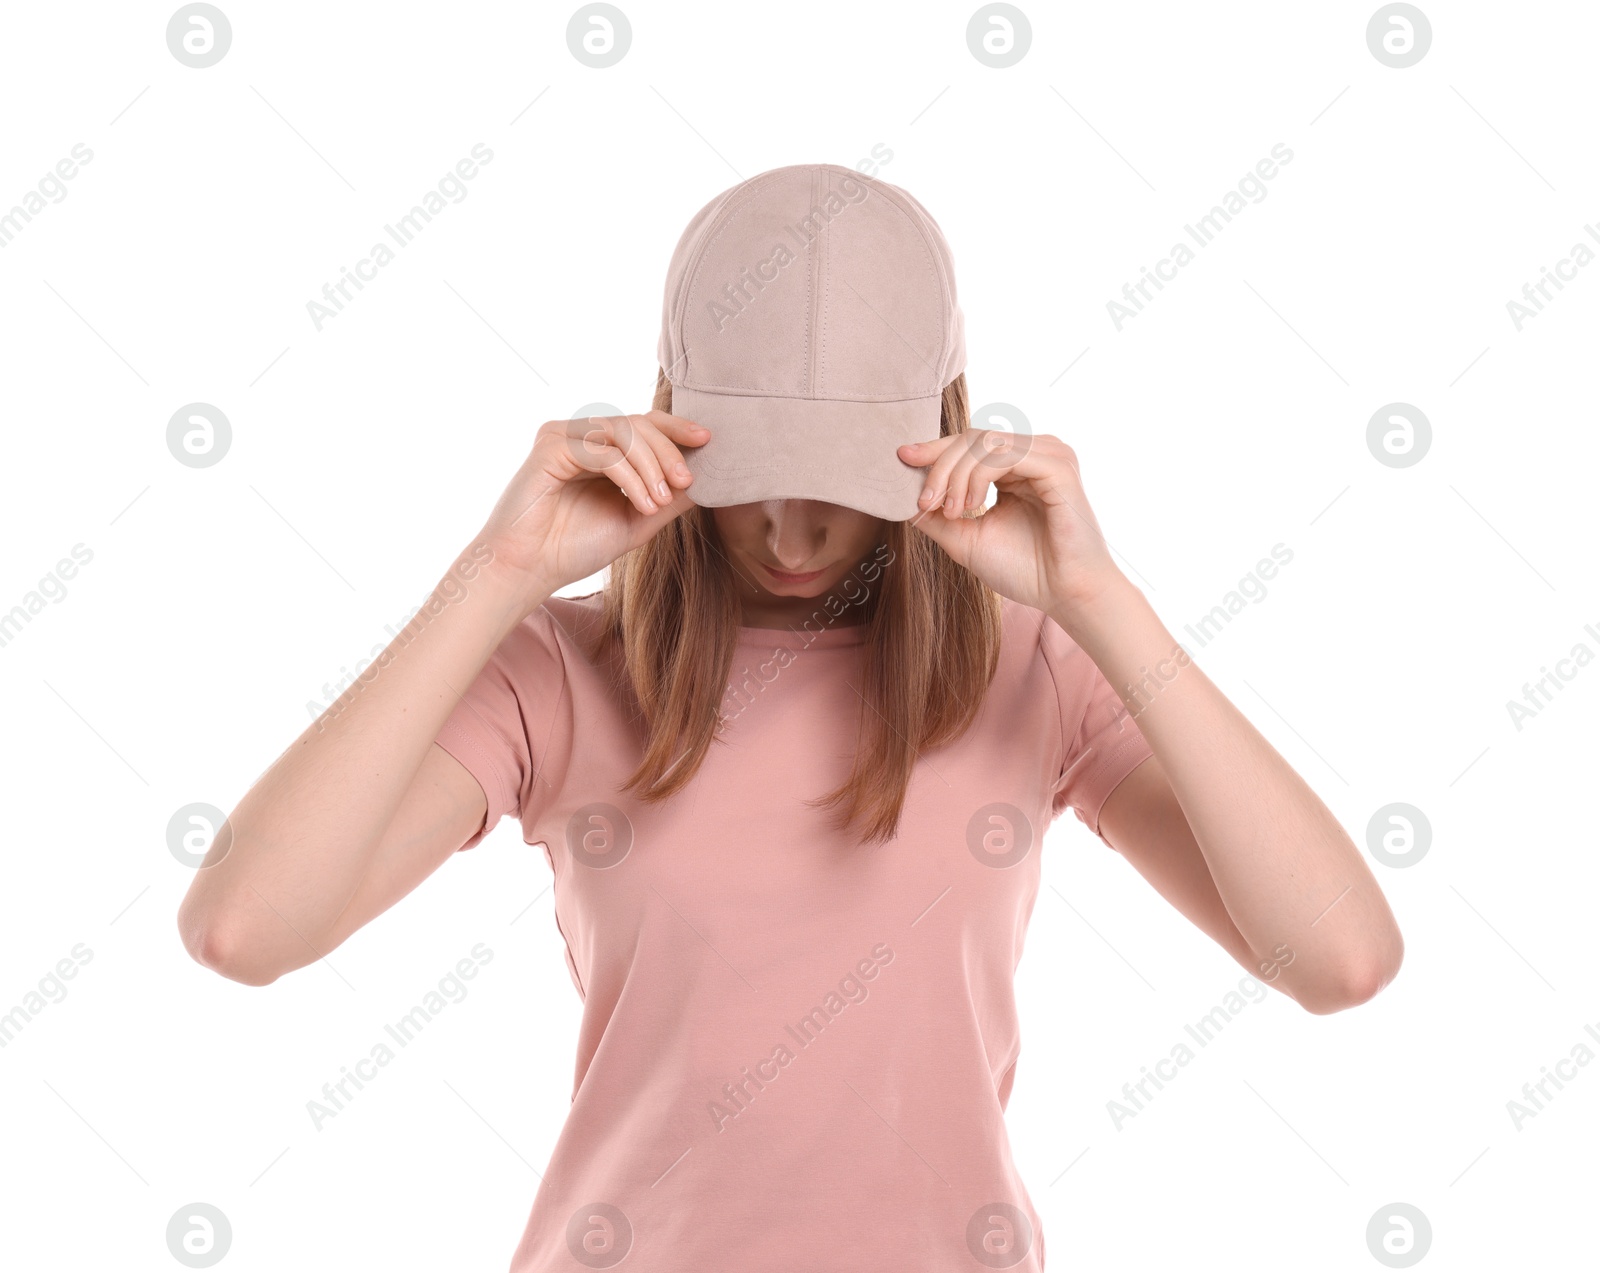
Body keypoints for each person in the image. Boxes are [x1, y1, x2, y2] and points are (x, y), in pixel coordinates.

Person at [177, 164, 1403, 1271]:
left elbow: (1341, 961)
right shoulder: (561, 668)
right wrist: (499, 571)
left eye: (842, 482)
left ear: (938, 434)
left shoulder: (1033, 665)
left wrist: (1100, 599)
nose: (793, 533)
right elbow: (244, 928)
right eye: (756, 476)